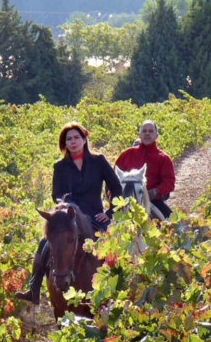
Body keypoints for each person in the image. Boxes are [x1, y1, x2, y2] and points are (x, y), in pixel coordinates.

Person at [16, 121, 122, 305]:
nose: (73, 142)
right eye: (69, 139)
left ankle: (122, 288)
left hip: (95, 216)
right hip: (69, 216)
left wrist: (111, 212)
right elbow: (56, 193)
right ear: (64, 144)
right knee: (44, 243)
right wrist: (65, 205)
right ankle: (34, 288)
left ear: (84, 139)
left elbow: (116, 187)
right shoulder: (60, 166)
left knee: (116, 246)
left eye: (76, 137)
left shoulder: (99, 161)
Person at [115, 120, 175, 219]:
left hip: (152, 201)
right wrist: (113, 194)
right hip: (125, 200)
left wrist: (155, 192)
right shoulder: (126, 154)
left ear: (157, 135)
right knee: (108, 226)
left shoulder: (163, 158)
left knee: (174, 224)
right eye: (144, 131)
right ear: (139, 134)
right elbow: (113, 178)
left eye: (151, 131)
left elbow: (169, 182)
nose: (147, 133)